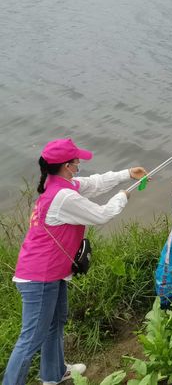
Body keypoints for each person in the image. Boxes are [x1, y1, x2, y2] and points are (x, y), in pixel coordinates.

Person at [3, 139, 146, 385]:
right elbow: (101, 215)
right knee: (31, 339)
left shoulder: (58, 185)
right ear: (68, 166)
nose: (80, 164)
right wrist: (123, 196)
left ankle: (53, 374)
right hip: (39, 277)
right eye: (77, 161)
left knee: (55, 322)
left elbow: (93, 183)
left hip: (51, 272)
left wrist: (126, 174)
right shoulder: (64, 197)